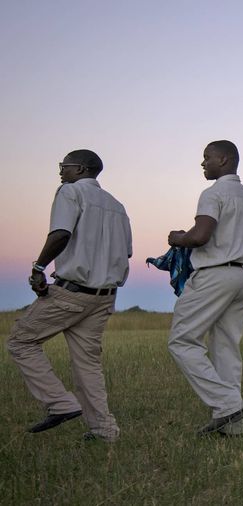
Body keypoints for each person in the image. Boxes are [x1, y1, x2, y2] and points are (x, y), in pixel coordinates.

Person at [7, 149, 132, 442]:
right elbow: (126, 252)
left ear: (81, 169)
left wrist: (39, 267)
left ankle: (61, 403)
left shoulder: (70, 192)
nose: (61, 171)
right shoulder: (117, 206)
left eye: (65, 165)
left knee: (21, 341)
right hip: (104, 296)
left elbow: (61, 233)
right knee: (87, 364)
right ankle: (104, 430)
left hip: (72, 292)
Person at [167, 140, 243, 436]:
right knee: (226, 346)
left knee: (182, 341)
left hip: (214, 274)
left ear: (223, 160)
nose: (203, 163)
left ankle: (228, 404)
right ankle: (232, 425)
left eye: (207, 157)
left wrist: (178, 238)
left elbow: (200, 236)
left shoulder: (213, 193)